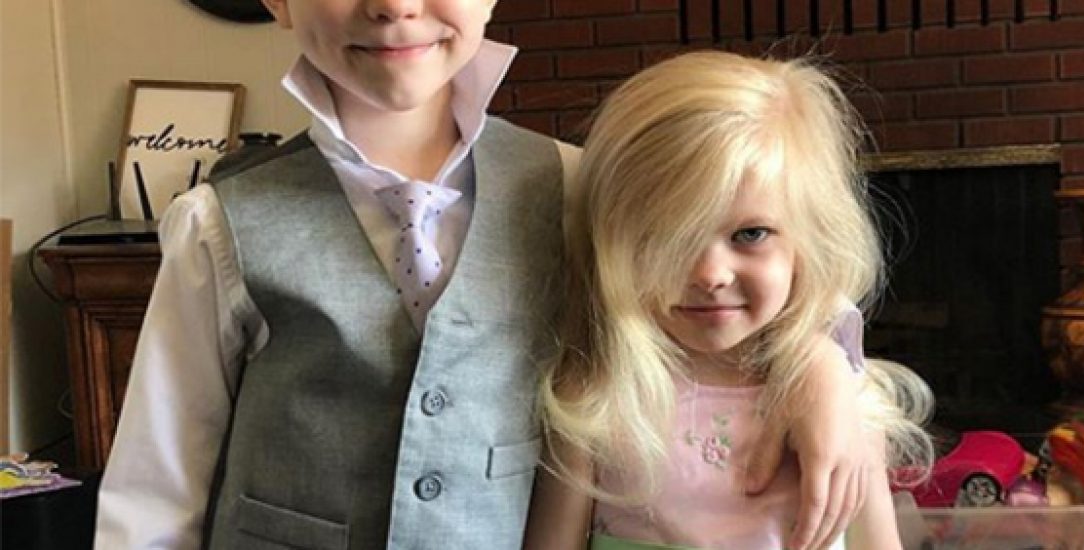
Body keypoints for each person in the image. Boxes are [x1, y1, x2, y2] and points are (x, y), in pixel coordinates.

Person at [94, 2, 883, 548]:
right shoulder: (217, 222)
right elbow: (156, 484)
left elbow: (790, 277)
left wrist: (822, 372)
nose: (395, 5)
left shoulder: (573, 183)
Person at [522, 51, 934, 550]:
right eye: (669, 238)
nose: (710, 275)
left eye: (750, 234)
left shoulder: (849, 403)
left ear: (808, 240)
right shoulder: (596, 398)